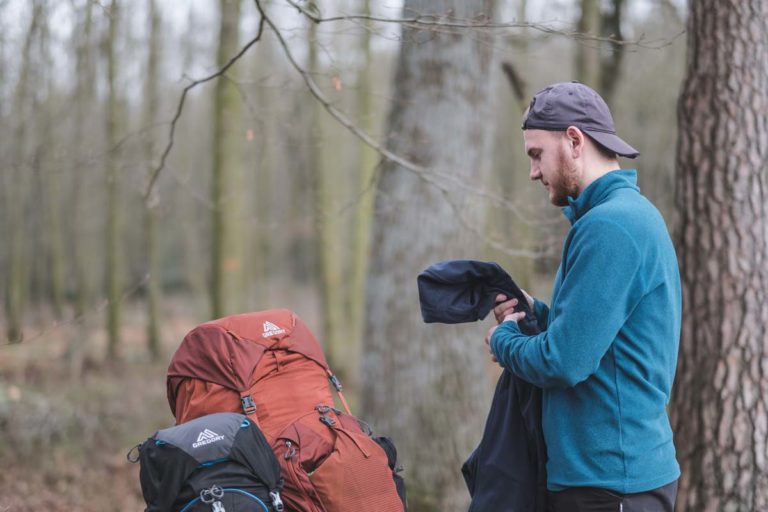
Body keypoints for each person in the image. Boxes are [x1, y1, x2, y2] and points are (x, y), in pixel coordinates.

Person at [485, 81, 681, 512]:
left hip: (610, 486)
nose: (533, 172)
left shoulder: (610, 226)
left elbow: (563, 361)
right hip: (610, 482)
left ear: (574, 141)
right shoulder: (621, 218)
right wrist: (536, 312)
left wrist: (506, 340)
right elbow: (605, 343)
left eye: (536, 154)